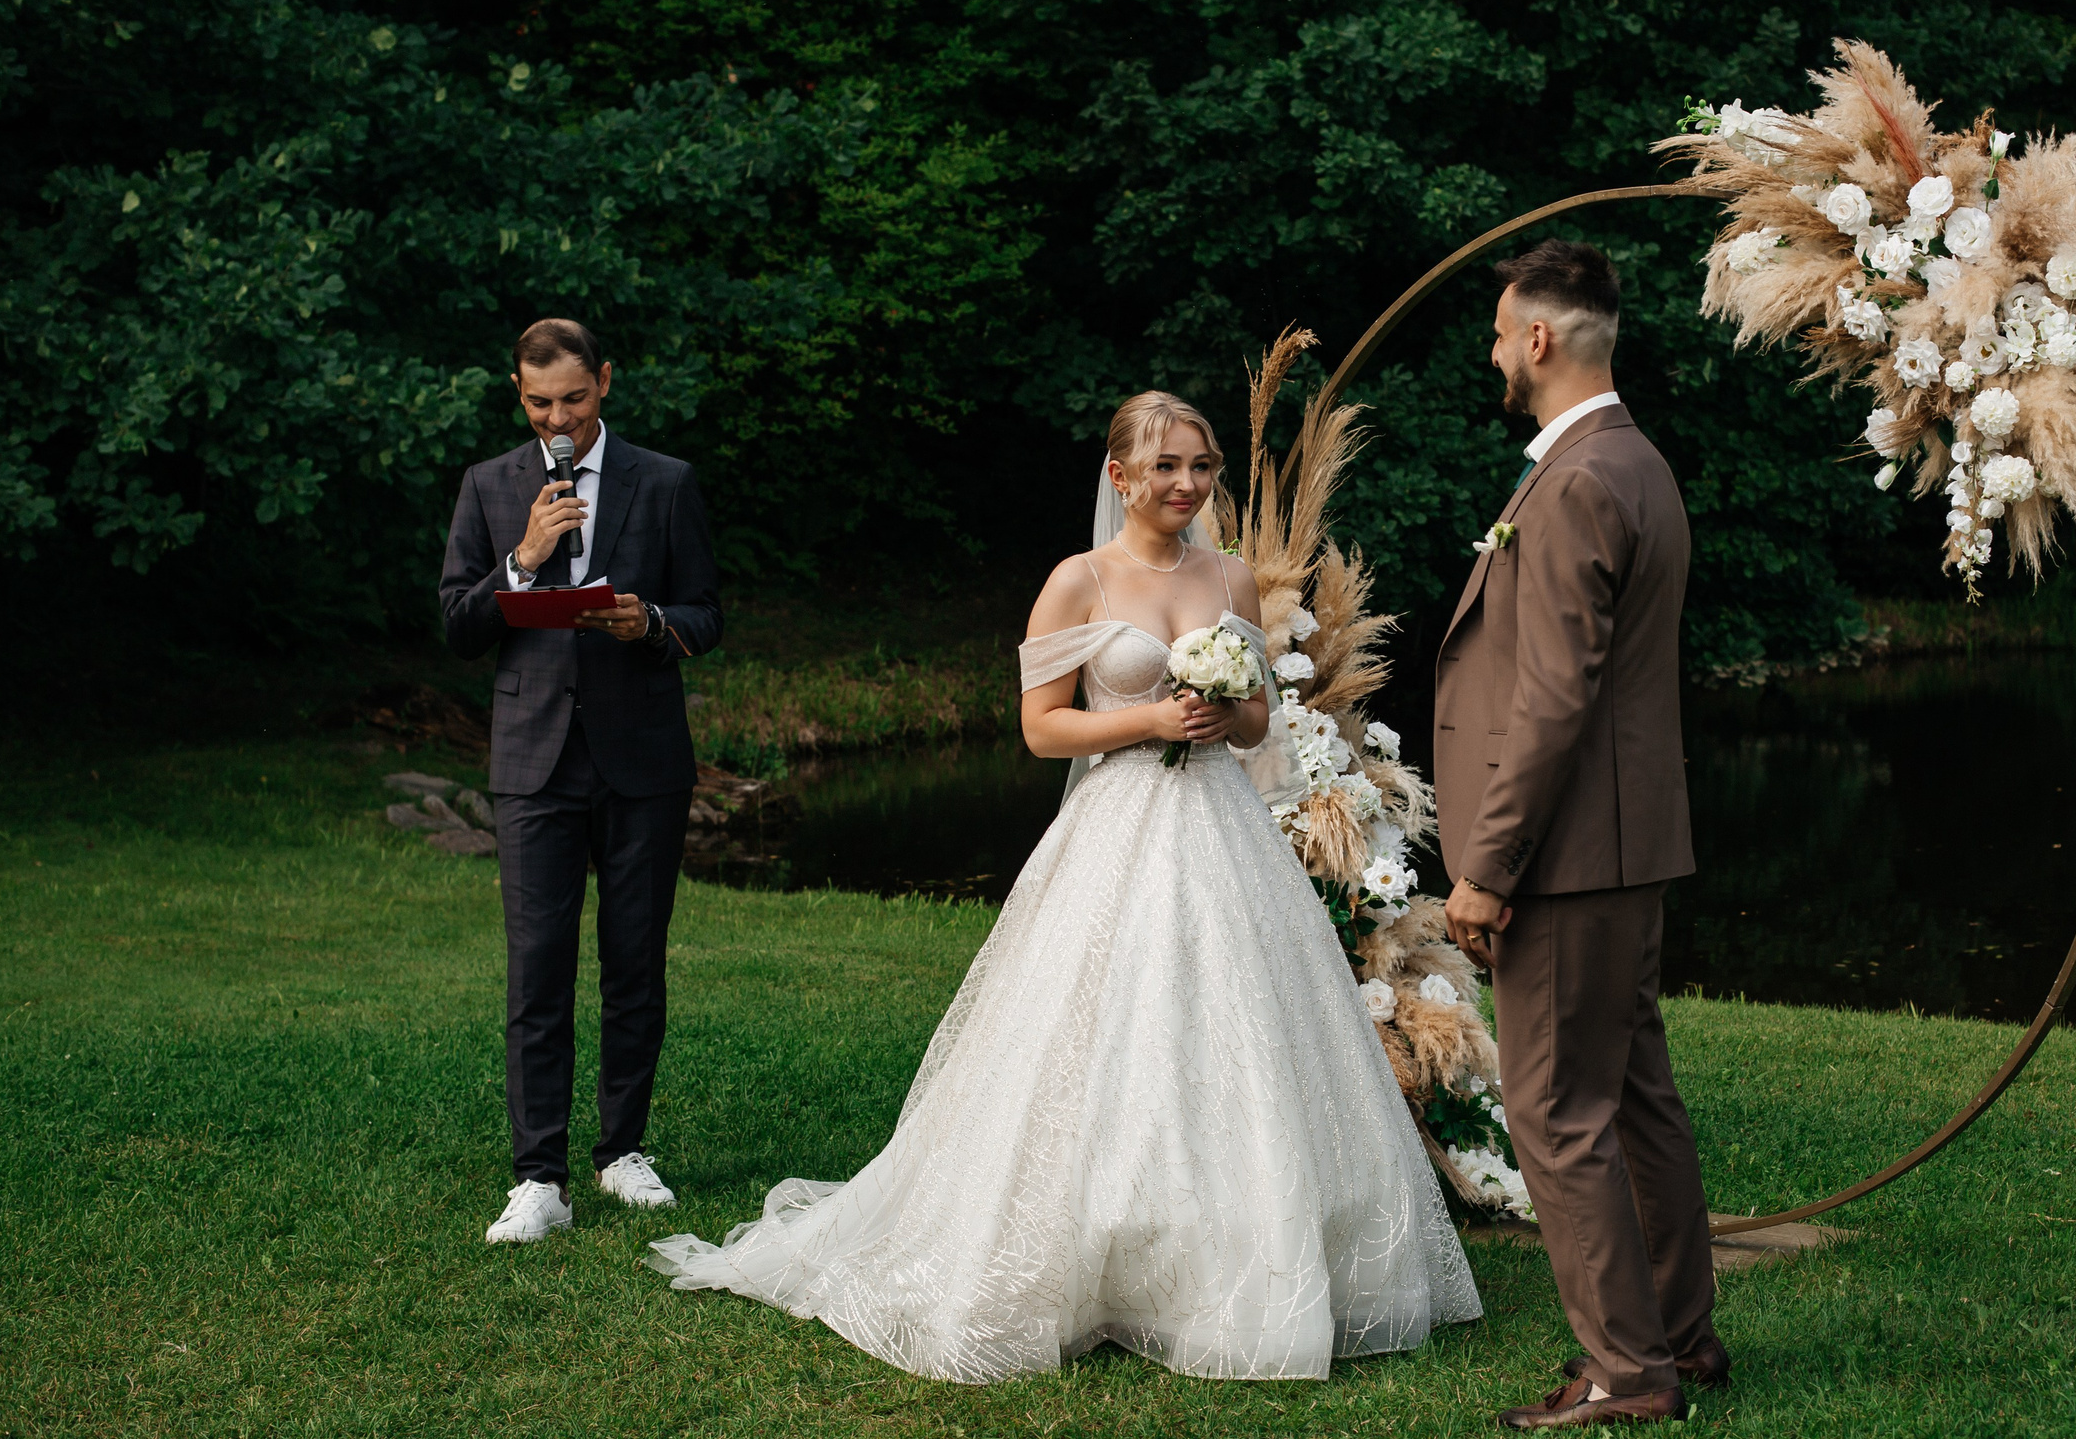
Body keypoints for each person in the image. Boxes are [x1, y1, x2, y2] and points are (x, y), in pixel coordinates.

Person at [647, 391, 1479, 1381]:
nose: (1186, 484)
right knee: (1094, 1025)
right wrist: (1150, 722)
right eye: (1165, 466)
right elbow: (1041, 728)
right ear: (1120, 476)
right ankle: (1089, 1241)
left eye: (1202, 466)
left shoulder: (1229, 578)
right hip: (1117, 822)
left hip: (1223, 826)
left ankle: (1230, 1251)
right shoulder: (1078, 581)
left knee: (1238, 1026)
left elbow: (1260, 723)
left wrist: (1227, 715)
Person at [1435, 239, 1724, 1430]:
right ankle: (1680, 1338)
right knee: (1635, 1095)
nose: (1494, 354)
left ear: (1540, 338)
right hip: (1624, 844)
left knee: (1556, 1112)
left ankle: (1626, 1374)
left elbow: (1553, 699)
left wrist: (1487, 867)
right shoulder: (1635, 461)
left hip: (1564, 857)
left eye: (1501, 335)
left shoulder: (1574, 481)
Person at [439, 318, 723, 1244]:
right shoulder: (489, 485)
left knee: (635, 960)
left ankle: (622, 1150)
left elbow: (707, 612)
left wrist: (652, 622)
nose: (557, 420)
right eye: (539, 403)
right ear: (517, 394)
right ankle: (539, 1178)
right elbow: (458, 623)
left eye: (573, 398)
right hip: (533, 760)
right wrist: (521, 558)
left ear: (604, 380)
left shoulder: (666, 481)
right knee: (537, 970)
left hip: (642, 755)